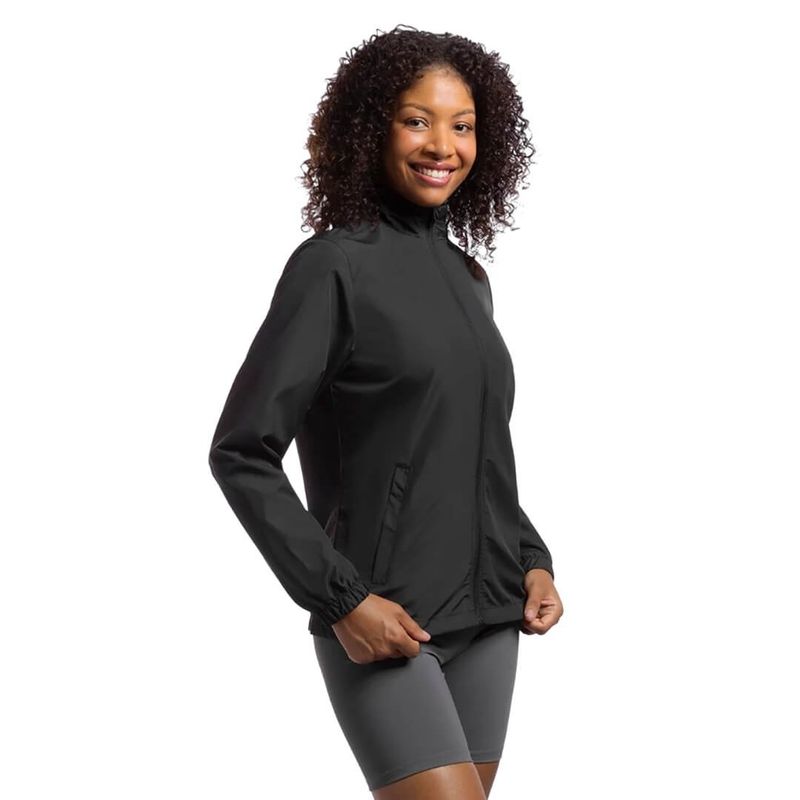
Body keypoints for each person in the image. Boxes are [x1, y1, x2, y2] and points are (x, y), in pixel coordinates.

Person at [208, 25, 564, 799]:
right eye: (417, 120)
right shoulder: (333, 267)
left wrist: (532, 557)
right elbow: (241, 451)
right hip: (388, 624)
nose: (443, 145)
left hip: (491, 620)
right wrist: (343, 600)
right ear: (373, 128)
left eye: (462, 125)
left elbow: (471, 450)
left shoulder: (470, 279)